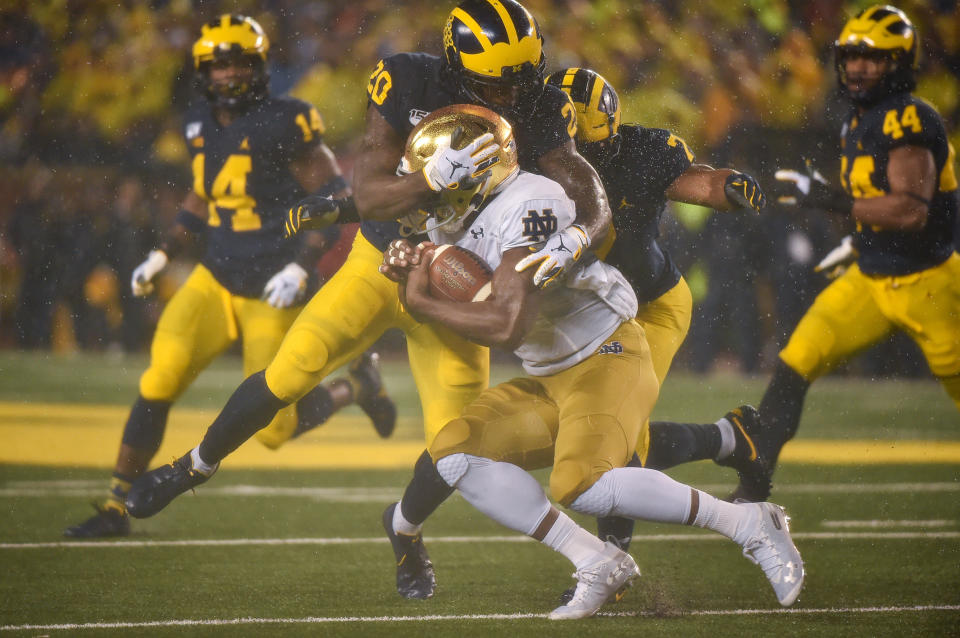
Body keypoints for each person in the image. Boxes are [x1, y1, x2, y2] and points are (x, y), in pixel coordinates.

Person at [122, 1, 608, 577]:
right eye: (494, 81)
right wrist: (427, 181)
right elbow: (371, 195)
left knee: (453, 445)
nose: (509, 94)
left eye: (520, 78)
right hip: (381, 261)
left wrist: (579, 238)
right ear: (457, 63)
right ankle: (192, 468)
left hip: (455, 281)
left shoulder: (542, 103)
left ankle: (405, 531)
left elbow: (591, 196)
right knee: (291, 368)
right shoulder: (409, 79)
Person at [385, 105, 803, 620]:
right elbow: (442, 259)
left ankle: (751, 524)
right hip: (547, 375)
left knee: (579, 483)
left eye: (435, 184)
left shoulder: (532, 205)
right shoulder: (457, 214)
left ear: (474, 178)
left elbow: (507, 326)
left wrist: (424, 298)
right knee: (452, 453)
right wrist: (414, 264)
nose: (424, 195)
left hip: (606, 355)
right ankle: (596, 560)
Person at [64, 15, 395, 538]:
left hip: (271, 286)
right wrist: (162, 250)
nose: (229, 74)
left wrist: (298, 265)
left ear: (260, 65)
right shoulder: (197, 120)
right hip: (214, 278)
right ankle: (115, 507)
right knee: (158, 379)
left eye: (240, 62)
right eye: (219, 64)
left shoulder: (288, 118)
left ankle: (353, 387)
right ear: (203, 71)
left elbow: (332, 199)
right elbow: (203, 195)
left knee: (274, 429)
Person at [701, 4, 959, 503]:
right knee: (796, 360)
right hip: (872, 277)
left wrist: (827, 198)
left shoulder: (910, 117)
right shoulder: (857, 120)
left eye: (872, 58)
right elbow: (876, 203)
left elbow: (910, 210)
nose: (858, 67)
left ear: (900, 62)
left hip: (928, 283)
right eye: (852, 56)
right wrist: (860, 241)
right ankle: (754, 486)